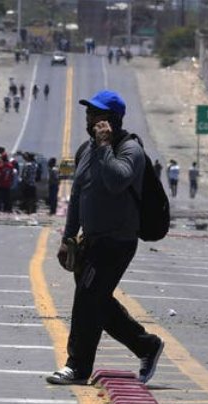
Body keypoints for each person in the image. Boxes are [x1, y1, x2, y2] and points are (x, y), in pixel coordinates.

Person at [46, 89, 164, 387]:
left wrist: (104, 146)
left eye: (96, 114)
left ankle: (77, 367)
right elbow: (78, 195)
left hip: (116, 242)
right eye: (88, 113)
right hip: (91, 241)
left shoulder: (130, 150)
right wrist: (68, 236)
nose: (90, 118)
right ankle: (146, 345)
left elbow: (115, 181)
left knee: (87, 299)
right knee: (97, 302)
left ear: (112, 120)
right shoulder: (86, 150)